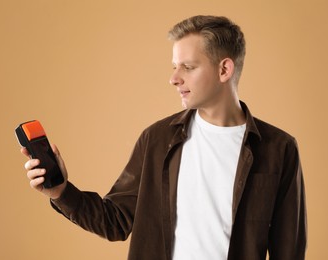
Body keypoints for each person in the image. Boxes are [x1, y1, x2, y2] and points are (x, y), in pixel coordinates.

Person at [22, 15, 307, 260]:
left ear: (224, 69)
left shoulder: (279, 149)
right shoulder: (157, 140)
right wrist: (61, 192)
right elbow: (116, 222)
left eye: (188, 67)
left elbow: (288, 250)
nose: (174, 78)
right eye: (174, 66)